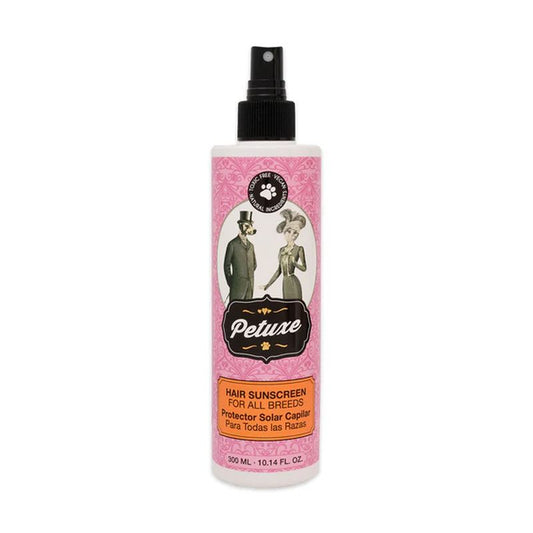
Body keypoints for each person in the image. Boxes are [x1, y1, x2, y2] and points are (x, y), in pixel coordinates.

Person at [260, 209, 307, 299]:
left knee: (295, 305)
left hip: (293, 282)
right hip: (285, 283)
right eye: (289, 231)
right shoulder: (281, 250)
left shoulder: (299, 249)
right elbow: (279, 271)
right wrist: (267, 285)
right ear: (284, 232)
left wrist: (295, 263)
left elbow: (304, 268)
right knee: (286, 306)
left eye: (295, 233)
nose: (292, 235)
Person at [223, 211, 257, 302]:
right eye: (246, 225)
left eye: (250, 225)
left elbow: (254, 265)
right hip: (237, 287)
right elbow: (226, 266)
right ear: (240, 226)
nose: (248, 228)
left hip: (250, 287)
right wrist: (232, 283)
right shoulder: (232, 244)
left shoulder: (251, 246)